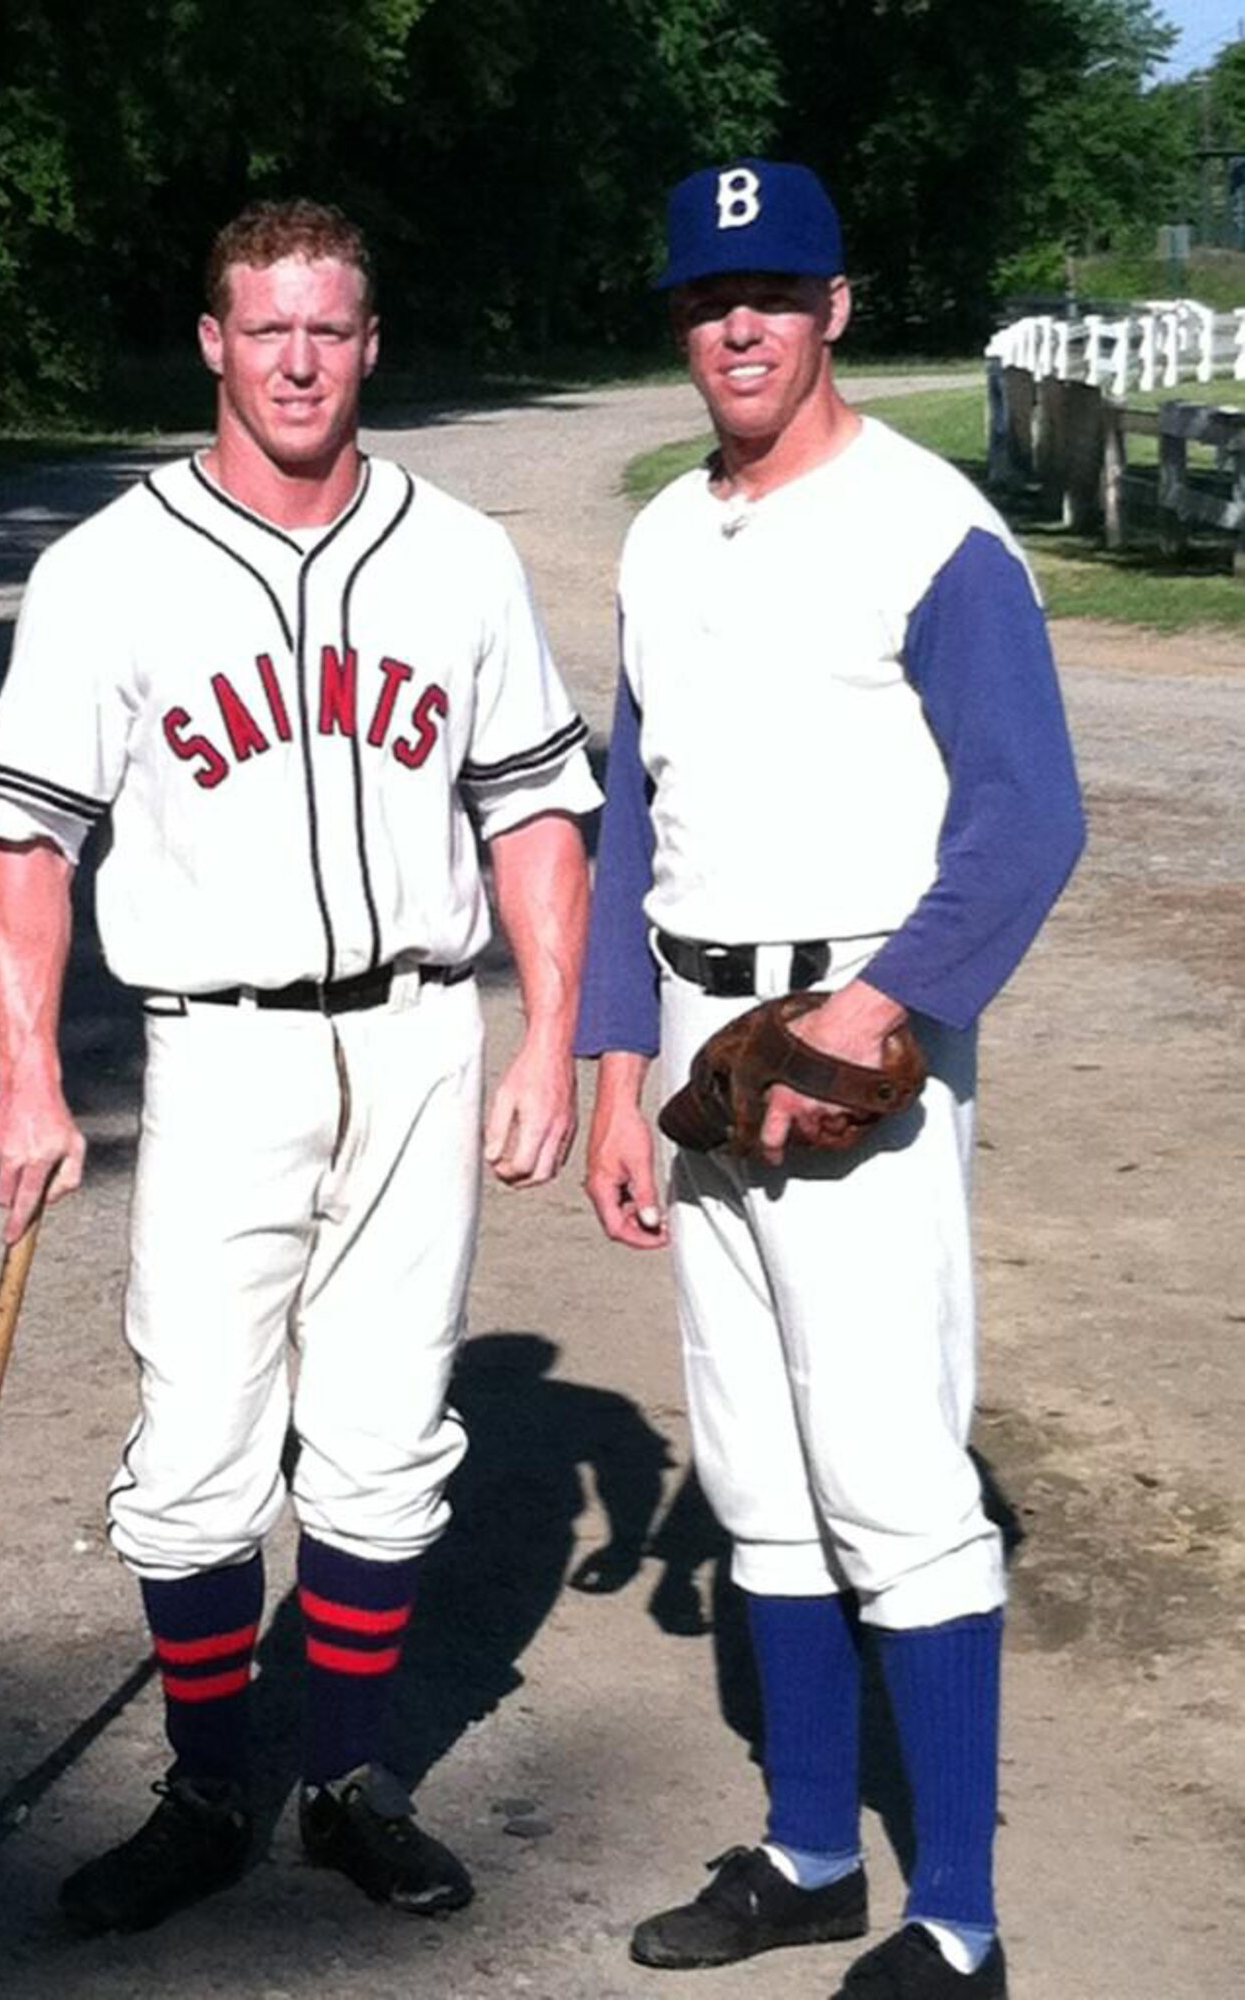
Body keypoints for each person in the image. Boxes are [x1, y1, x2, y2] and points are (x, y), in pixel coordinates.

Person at [0, 197, 599, 1936]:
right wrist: (28, 1072)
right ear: (214, 345)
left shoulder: (458, 555)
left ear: (370, 344)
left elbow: (536, 803)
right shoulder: (108, 568)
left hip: (413, 1033)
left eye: (331, 329)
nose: (300, 361)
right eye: (268, 329)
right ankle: (212, 1781)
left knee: (387, 1442)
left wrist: (545, 1033)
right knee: (197, 1457)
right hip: (219, 1050)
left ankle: (351, 1779)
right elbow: (31, 840)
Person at [577, 159, 1085, 2000]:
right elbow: (636, 805)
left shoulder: (928, 530)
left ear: (838, 307)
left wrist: (878, 1020)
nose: (742, 325)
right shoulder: (660, 534)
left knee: (892, 1482)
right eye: (714, 297)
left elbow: (1033, 820)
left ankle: (958, 1917)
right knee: (758, 1478)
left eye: (777, 293)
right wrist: (611, 1053)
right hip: (703, 1067)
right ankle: (808, 1856)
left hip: (855, 1066)